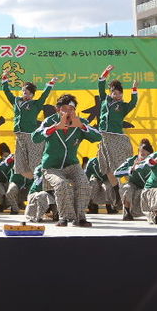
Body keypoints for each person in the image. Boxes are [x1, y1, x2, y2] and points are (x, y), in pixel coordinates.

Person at [31, 93, 102, 227]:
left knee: (84, 184)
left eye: (71, 109)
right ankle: (64, 217)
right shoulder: (50, 121)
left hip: (72, 165)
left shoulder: (80, 122)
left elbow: (98, 137)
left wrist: (82, 126)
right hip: (52, 167)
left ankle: (80, 217)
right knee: (61, 184)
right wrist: (55, 127)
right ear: (58, 109)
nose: (68, 112)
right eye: (64, 109)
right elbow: (35, 137)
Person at [95, 65, 139, 200]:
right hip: (104, 136)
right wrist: (106, 72)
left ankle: (131, 187)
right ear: (110, 93)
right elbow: (100, 83)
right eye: (115, 93)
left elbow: (133, 102)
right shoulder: (104, 99)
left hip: (116, 136)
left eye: (120, 93)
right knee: (107, 166)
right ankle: (117, 192)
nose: (118, 95)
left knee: (120, 164)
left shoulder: (123, 106)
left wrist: (134, 89)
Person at [2, 71, 56, 179]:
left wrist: (50, 84)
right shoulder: (16, 101)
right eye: (24, 92)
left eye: (28, 93)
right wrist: (4, 79)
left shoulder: (36, 104)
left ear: (32, 95)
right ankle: (30, 181)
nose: (25, 95)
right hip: (19, 135)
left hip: (31, 135)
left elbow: (44, 95)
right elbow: (7, 92)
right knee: (20, 163)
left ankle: (41, 179)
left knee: (34, 161)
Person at [114, 139, 154, 221]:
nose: (144, 157)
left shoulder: (153, 162)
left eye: (147, 155)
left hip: (149, 187)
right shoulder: (131, 161)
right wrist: (131, 169)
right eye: (142, 154)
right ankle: (127, 212)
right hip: (134, 186)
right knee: (127, 188)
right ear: (138, 152)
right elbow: (116, 172)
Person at [0, 143, 17, 213]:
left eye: (8, 156)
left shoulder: (15, 163)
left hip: (10, 181)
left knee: (13, 191)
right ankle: (0, 205)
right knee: (0, 192)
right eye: (4, 156)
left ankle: (13, 205)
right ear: (1, 155)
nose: (6, 158)